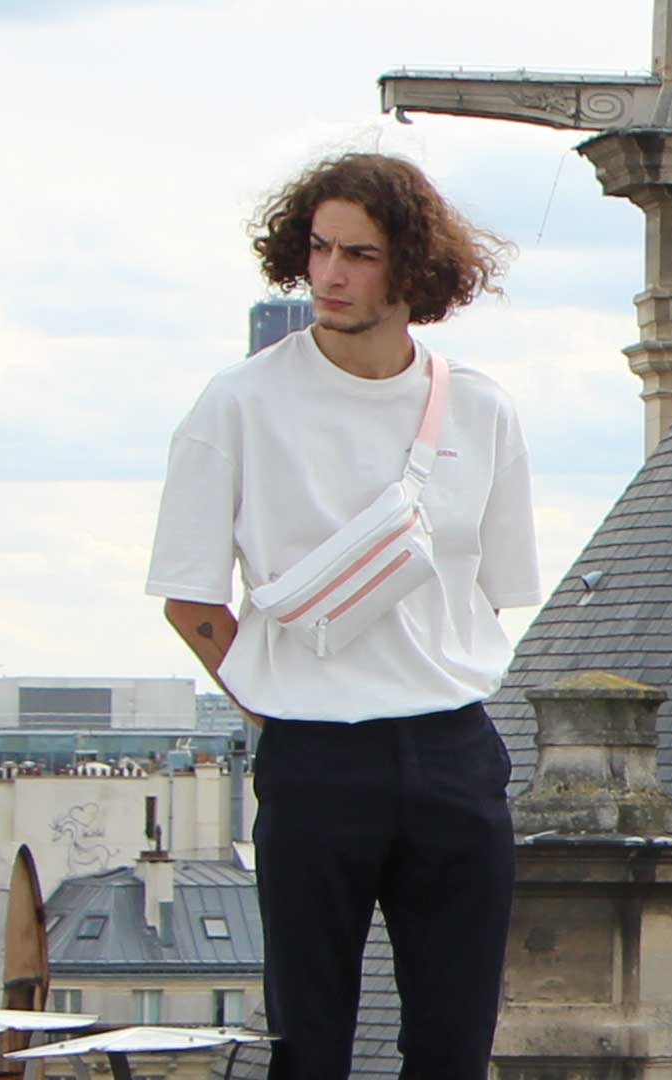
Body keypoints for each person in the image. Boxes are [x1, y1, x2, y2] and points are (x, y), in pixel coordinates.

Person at [145, 152, 542, 1080]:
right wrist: (272, 695)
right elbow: (189, 594)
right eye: (320, 248)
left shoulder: (480, 410)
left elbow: (491, 586)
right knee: (308, 1045)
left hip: (452, 749)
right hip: (315, 754)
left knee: (454, 1047)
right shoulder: (239, 402)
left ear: (413, 269)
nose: (330, 274)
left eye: (359, 254)